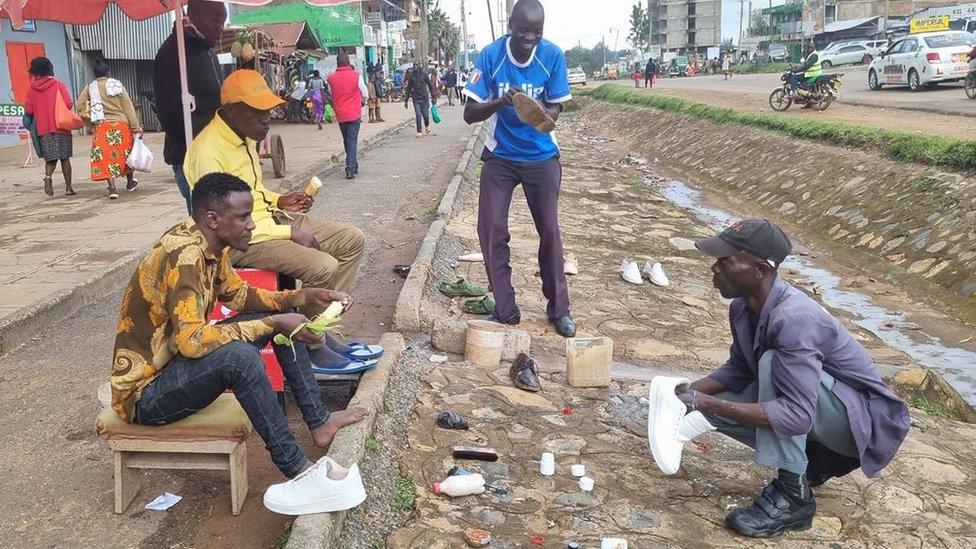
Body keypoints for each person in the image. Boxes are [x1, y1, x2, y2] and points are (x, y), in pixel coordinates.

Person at [110, 171, 368, 507]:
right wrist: (273, 321)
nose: (251, 225)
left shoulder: (208, 245)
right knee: (240, 358)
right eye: (243, 217)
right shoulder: (185, 257)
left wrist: (302, 297)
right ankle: (298, 470)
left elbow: (241, 296)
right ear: (213, 219)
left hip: (174, 370)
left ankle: (318, 422)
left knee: (278, 326)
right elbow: (192, 342)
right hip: (145, 396)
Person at [674, 219, 909, 538]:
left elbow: (796, 415)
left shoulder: (794, 319)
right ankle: (820, 458)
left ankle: (793, 498)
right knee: (705, 408)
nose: (715, 268)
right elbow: (739, 369)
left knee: (770, 365)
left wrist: (706, 401)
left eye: (725, 261)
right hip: (822, 411)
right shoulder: (743, 309)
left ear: (759, 270)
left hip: (861, 427)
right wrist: (685, 395)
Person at [184, 70, 367, 369]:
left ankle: (317, 325)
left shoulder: (244, 136)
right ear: (232, 110)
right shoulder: (208, 151)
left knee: (351, 240)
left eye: (268, 110)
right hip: (241, 239)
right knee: (323, 265)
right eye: (259, 112)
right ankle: (312, 345)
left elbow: (252, 191)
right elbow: (225, 223)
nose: (268, 118)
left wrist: (278, 199)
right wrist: (288, 234)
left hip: (268, 220)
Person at [462, 0, 576, 338]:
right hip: (501, 156)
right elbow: (470, 113)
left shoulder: (552, 55)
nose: (530, 38)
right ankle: (506, 308)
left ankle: (560, 309)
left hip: (541, 156)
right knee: (492, 228)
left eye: (537, 32)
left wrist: (542, 115)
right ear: (511, 26)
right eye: (524, 31)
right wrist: (501, 102)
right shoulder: (490, 56)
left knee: (550, 231)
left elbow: (556, 107)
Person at [153, 0, 226, 214]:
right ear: (194, 16)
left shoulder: (208, 52)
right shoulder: (172, 53)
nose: (221, 28)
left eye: (223, 21)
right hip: (191, 155)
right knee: (207, 221)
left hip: (217, 151)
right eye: (215, 20)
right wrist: (200, 145)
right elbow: (169, 114)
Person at [76, 59, 143, 199]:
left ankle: (112, 188)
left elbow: (79, 105)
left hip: (102, 127)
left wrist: (89, 117)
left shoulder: (90, 88)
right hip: (121, 126)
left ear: (95, 74)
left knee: (106, 157)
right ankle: (130, 182)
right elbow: (128, 107)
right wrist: (136, 127)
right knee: (126, 154)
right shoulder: (117, 86)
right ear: (108, 73)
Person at [24, 56, 74, 197]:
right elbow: (69, 104)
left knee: (50, 158)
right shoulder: (58, 84)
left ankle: (48, 177)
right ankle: (69, 188)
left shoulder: (32, 88)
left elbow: (29, 110)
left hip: (43, 129)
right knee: (65, 158)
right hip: (61, 126)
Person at [327, 53, 369, 179]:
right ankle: (350, 168)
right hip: (354, 113)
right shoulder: (356, 76)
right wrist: (363, 101)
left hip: (340, 113)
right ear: (348, 62)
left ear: (338, 63)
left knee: (346, 139)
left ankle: (353, 165)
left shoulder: (331, 78)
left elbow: (331, 93)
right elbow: (365, 92)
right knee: (352, 140)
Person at [403, 61, 435, 138]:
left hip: (424, 98)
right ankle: (419, 131)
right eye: (414, 65)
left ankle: (427, 125)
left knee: (426, 115)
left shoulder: (424, 74)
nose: (415, 66)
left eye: (416, 65)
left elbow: (430, 85)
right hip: (416, 98)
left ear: (420, 65)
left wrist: (434, 96)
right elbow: (408, 89)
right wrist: (406, 101)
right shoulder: (411, 76)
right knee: (418, 115)